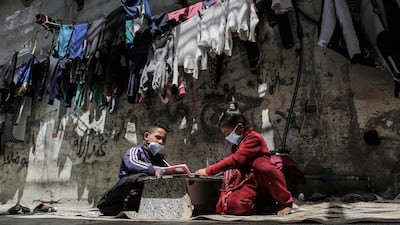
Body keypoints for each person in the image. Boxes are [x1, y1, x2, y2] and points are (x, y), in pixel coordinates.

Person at [195, 102, 293, 216]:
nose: (227, 137)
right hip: (249, 183)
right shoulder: (237, 145)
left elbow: (236, 160)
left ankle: (285, 202)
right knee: (235, 205)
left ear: (240, 128)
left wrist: (208, 170)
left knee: (260, 165)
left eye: (228, 133)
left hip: (262, 180)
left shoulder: (254, 138)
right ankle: (265, 205)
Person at [97, 120, 171, 216]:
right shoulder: (135, 151)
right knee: (141, 176)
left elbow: (168, 169)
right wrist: (154, 170)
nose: (160, 142)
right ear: (146, 136)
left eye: (163, 140)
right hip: (126, 193)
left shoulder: (159, 157)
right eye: (158, 138)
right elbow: (132, 163)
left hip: (147, 193)